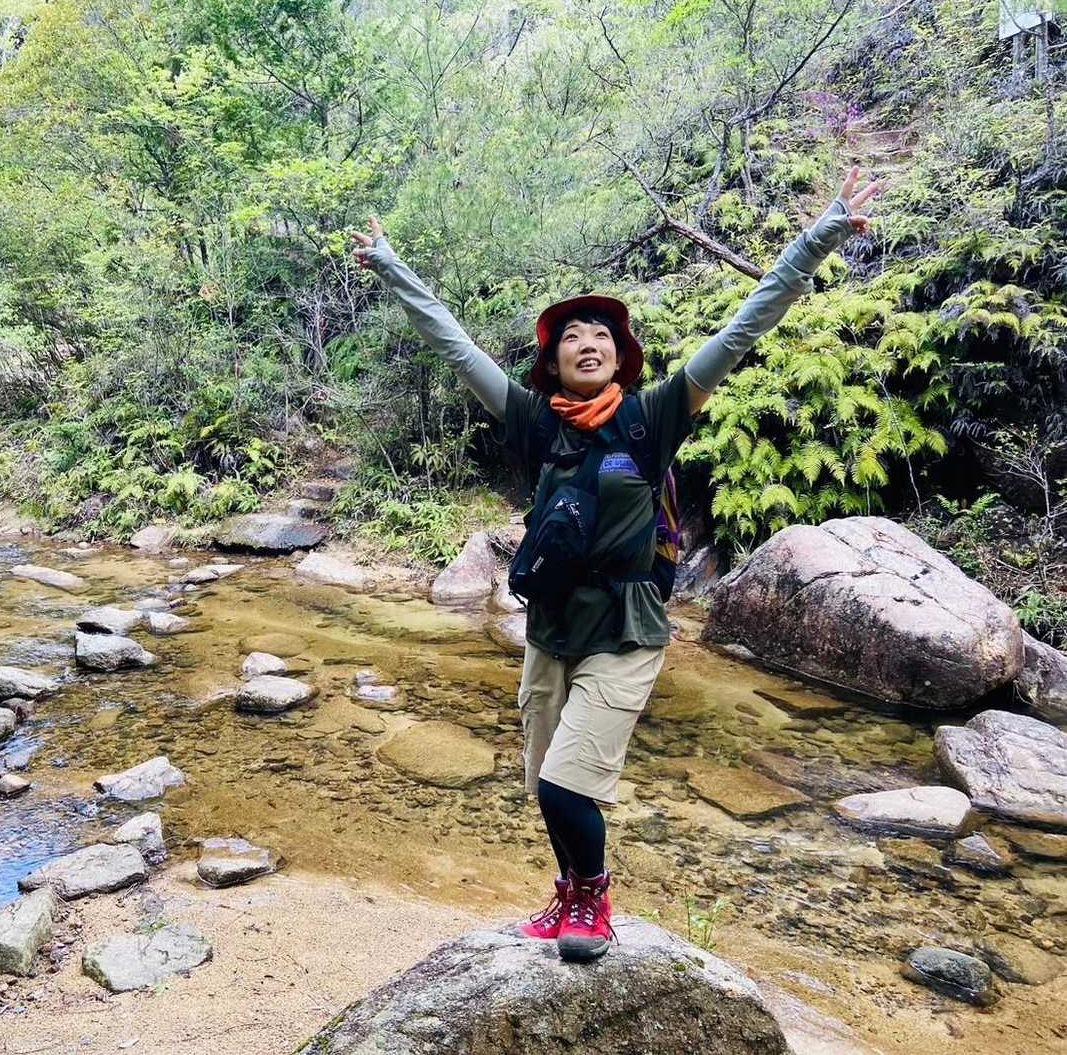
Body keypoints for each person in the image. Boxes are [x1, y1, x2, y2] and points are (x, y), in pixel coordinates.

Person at [350, 167, 882, 962]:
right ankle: (566, 891)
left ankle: (592, 900)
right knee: (545, 781)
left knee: (568, 780)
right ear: (553, 361)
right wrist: (390, 265)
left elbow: (746, 324)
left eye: (600, 335)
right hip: (551, 627)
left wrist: (823, 234)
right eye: (572, 336)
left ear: (620, 355)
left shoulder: (652, 417)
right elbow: (453, 343)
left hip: (625, 630)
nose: (587, 343)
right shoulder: (534, 421)